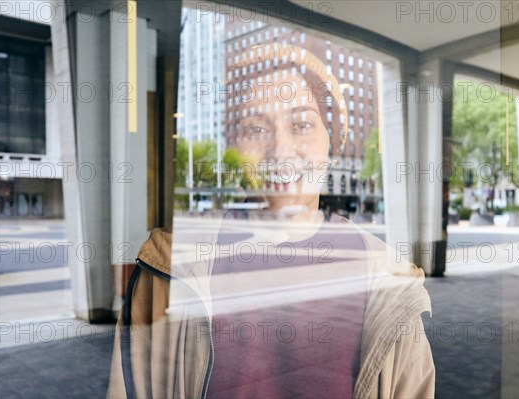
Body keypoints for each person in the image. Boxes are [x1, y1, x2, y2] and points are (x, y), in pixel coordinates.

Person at [107, 43, 434, 399]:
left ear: (333, 140)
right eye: (255, 129)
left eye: (302, 124)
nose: (279, 151)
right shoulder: (168, 262)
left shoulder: (389, 279)